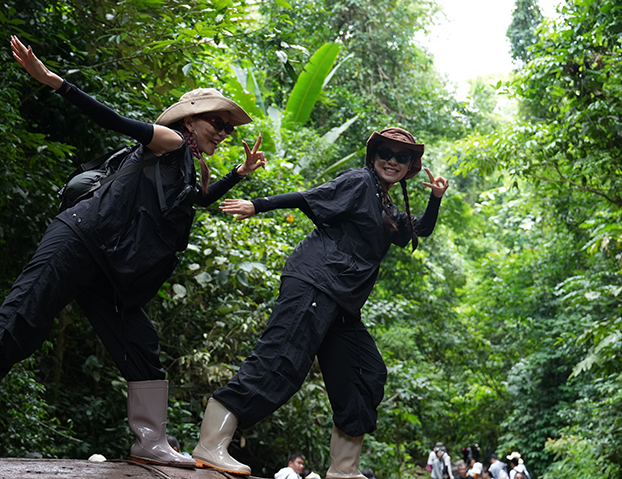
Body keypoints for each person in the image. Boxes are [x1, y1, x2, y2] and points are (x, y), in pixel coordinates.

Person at [0, 35, 266, 468]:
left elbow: (196, 200)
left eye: (228, 128)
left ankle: (150, 441)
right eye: (217, 122)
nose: (223, 132)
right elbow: (114, 120)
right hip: (81, 237)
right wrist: (54, 81)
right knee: (19, 317)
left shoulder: (187, 165)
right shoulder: (171, 140)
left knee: (139, 343)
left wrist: (239, 173)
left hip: (111, 266)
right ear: (191, 119)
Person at [190, 127, 449, 476]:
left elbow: (418, 229)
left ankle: (344, 470)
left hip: (343, 304)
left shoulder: (386, 203)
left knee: (364, 373)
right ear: (373, 156)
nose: (392, 161)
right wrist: (257, 205)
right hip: (315, 282)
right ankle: (210, 444)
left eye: (401, 157)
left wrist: (435, 198)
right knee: (280, 361)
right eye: (385, 153)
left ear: (409, 166)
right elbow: (308, 197)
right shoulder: (359, 181)